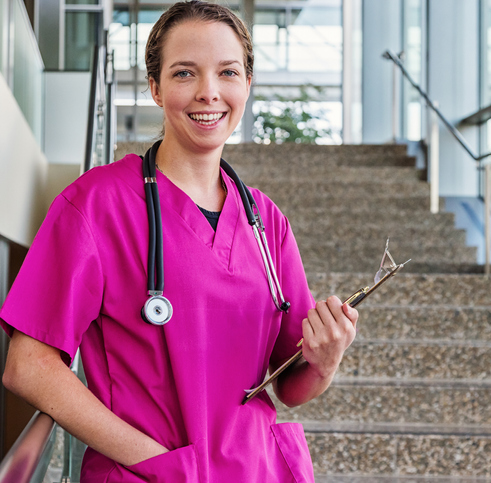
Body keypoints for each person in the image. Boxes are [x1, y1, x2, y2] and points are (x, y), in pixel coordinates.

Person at [0, 1, 358, 481]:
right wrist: (155, 461)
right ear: (155, 86)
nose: (209, 93)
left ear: (247, 85)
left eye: (228, 72)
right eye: (185, 73)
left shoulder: (266, 221)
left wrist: (327, 360)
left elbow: (291, 384)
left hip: (257, 470)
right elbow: (27, 365)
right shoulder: (95, 204)